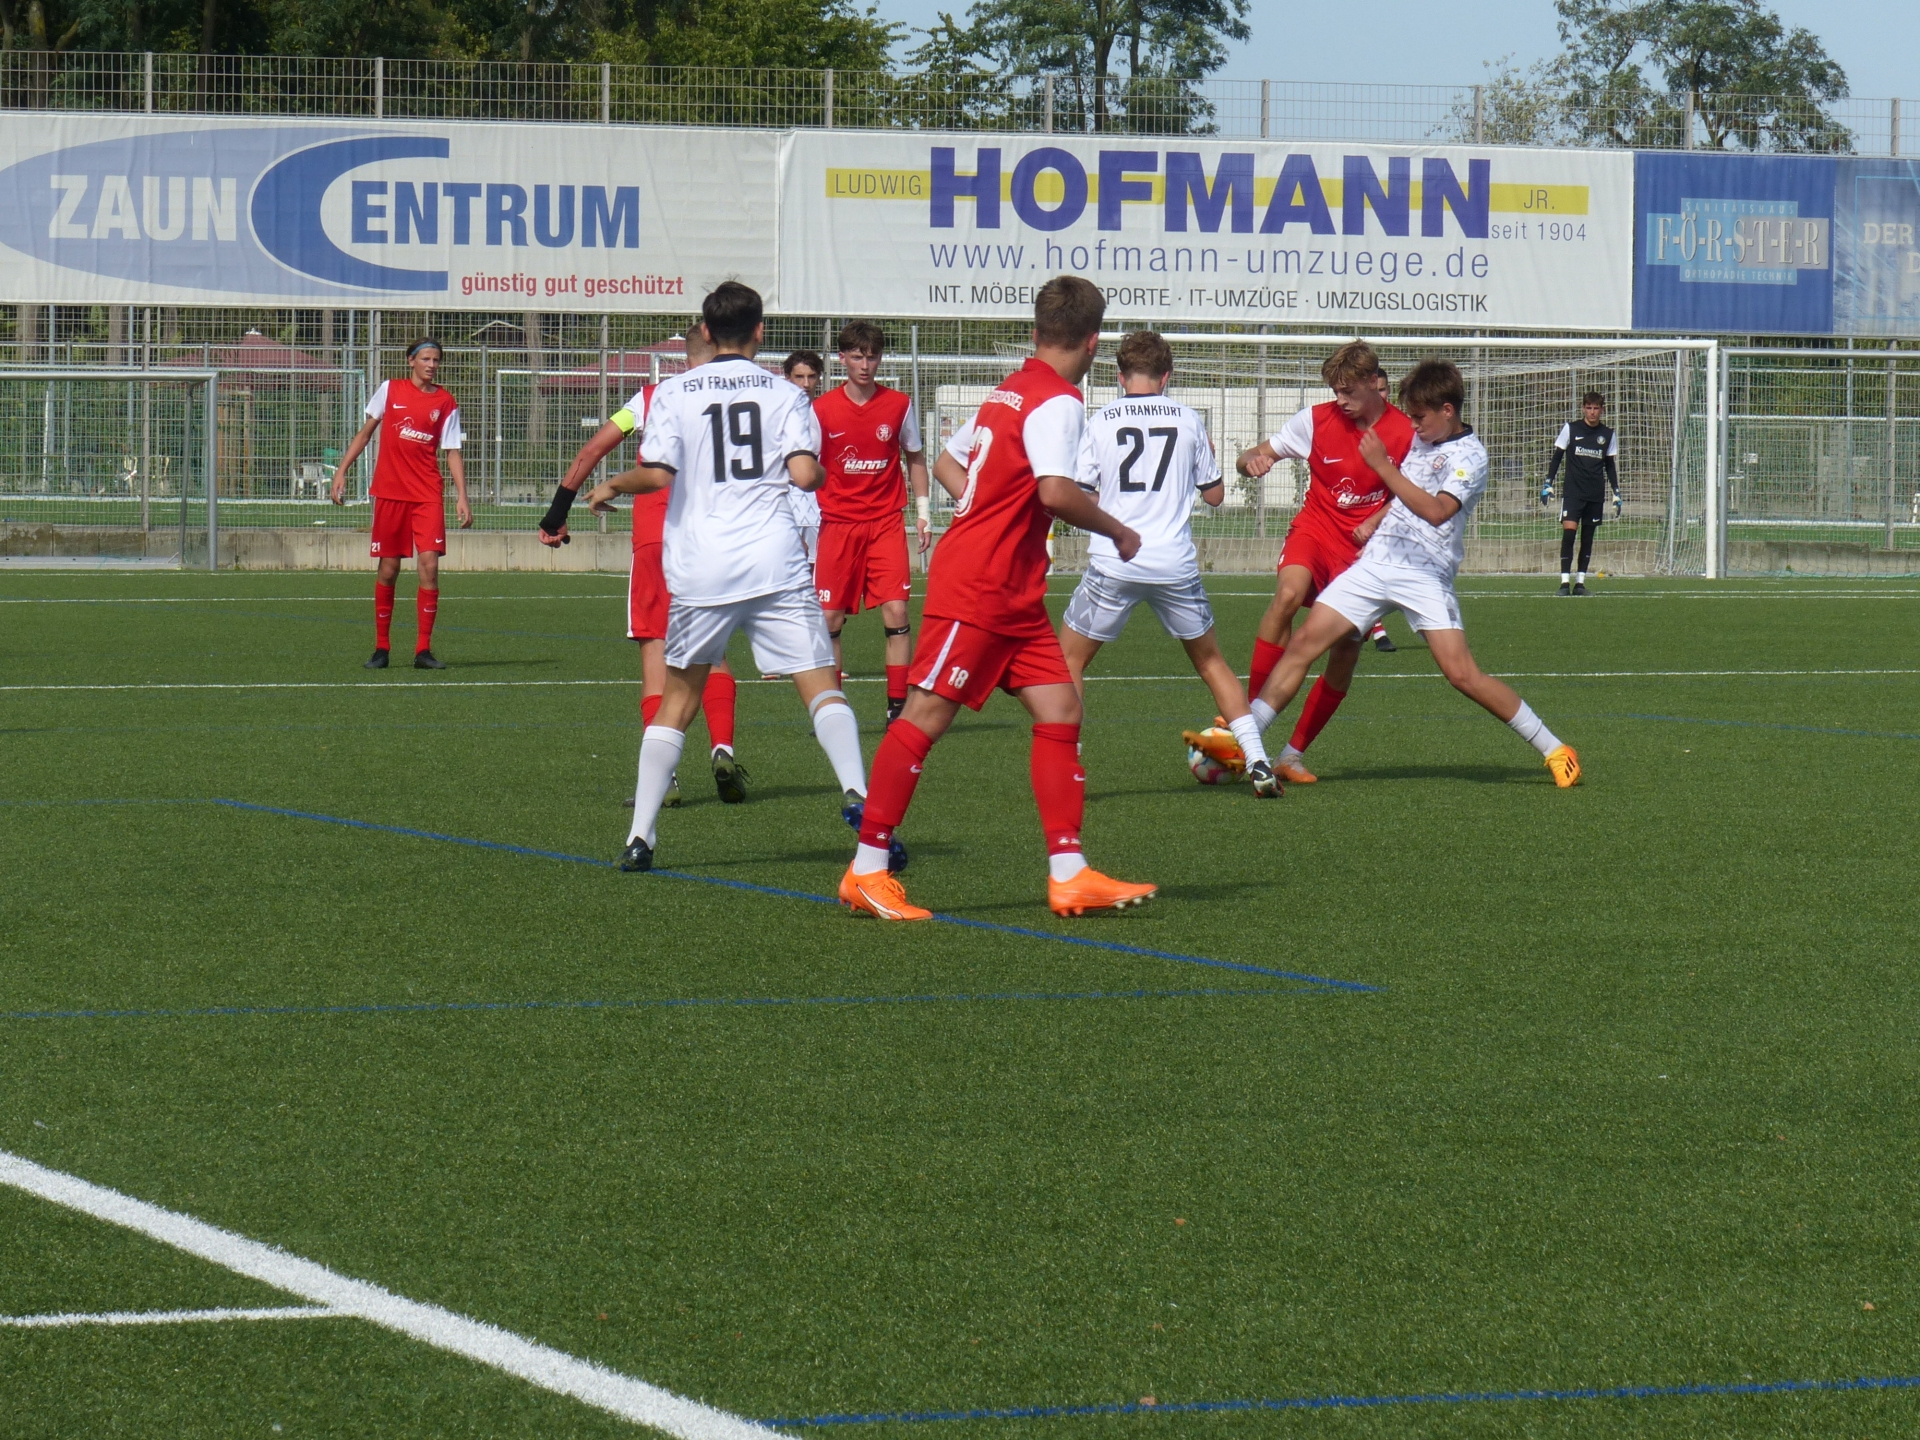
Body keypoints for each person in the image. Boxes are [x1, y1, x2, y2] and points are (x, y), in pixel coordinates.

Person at [841, 276, 1156, 922]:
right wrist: (1120, 530)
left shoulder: (1011, 389)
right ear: (1093, 343)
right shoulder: (1059, 401)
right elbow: (1055, 493)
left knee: (1061, 707)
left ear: (1037, 332)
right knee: (925, 713)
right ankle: (866, 869)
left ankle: (1068, 873)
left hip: (1013, 590)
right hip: (981, 585)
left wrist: (983, 508)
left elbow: (951, 462)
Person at [583, 282, 893, 874]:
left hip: (703, 565)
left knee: (678, 700)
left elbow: (656, 474)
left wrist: (612, 484)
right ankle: (858, 795)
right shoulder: (786, 394)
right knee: (820, 683)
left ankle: (640, 837)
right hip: (773, 560)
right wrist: (818, 470)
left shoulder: (672, 392)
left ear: (705, 330)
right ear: (759, 332)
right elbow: (804, 476)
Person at [1244, 358, 1581, 788]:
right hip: (1376, 563)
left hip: (1425, 573)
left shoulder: (1470, 456)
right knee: (1305, 642)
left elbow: (1437, 511)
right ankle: (1245, 740)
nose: (1414, 425)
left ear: (1447, 410)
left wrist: (1382, 467)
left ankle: (1555, 749)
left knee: (1462, 675)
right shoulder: (1422, 437)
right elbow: (1402, 492)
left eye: (1420, 417)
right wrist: (1376, 518)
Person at [1059, 330, 1280, 799]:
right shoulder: (1188, 419)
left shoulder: (1100, 420)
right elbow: (1215, 497)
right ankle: (1259, 761)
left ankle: (1065, 765)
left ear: (1120, 376)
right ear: (1167, 376)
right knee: (1211, 662)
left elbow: (1081, 494)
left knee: (1070, 660)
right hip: (1173, 563)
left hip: (1116, 560)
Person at [536, 330, 744, 805]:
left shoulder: (650, 398)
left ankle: (664, 780)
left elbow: (592, 451)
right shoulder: (735, 401)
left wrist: (556, 514)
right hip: (712, 540)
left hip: (655, 540)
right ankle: (722, 748)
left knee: (655, 654)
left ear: (683, 357)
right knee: (713, 652)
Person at [1204, 341, 1414, 784]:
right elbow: (1248, 457)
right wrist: (1251, 463)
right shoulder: (1315, 420)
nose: (1340, 400)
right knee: (1288, 594)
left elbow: (1412, 496)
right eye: (1335, 391)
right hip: (1315, 530)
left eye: (1347, 391)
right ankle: (1248, 721)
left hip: (1362, 552)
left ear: (1374, 383)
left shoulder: (1405, 432)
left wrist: (1376, 520)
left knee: (1346, 649)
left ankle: (1292, 755)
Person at [812, 321, 933, 723]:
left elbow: (915, 457)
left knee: (897, 612)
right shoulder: (821, 409)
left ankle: (897, 707)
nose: (865, 365)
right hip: (838, 525)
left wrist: (922, 513)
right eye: (857, 356)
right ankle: (832, 710)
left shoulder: (898, 405)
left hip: (885, 523)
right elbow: (805, 464)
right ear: (842, 358)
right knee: (830, 618)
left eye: (872, 357)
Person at [331, 338, 471, 670]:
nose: (432, 365)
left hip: (427, 495)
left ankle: (423, 650)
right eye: (426, 359)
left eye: (436, 360)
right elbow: (365, 433)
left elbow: (452, 451)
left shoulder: (445, 401)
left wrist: (462, 495)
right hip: (391, 493)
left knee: (430, 566)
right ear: (411, 361)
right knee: (389, 568)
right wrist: (341, 471)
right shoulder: (390, 390)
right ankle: (381, 648)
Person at [1542, 391, 1621, 595]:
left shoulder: (1608, 434)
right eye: (1589, 408)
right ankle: (1564, 583)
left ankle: (1580, 583)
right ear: (1583, 408)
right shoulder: (1571, 429)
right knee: (1569, 534)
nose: (1592, 412)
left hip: (1595, 494)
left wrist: (1616, 492)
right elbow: (1557, 456)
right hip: (1573, 492)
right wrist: (1548, 482)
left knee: (1588, 537)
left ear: (1602, 410)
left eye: (1596, 408)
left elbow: (1609, 465)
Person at [782, 348, 826, 567]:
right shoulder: (776, 414)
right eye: (799, 377)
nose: (806, 384)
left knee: (819, 568)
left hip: (819, 504)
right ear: (787, 378)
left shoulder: (825, 413)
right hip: (785, 501)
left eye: (811, 376)